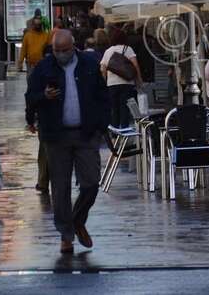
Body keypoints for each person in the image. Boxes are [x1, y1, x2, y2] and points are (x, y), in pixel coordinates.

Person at [25, 30, 110, 254]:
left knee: (91, 182)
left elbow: (102, 96)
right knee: (60, 187)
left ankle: (77, 219)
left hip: (86, 133)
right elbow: (30, 96)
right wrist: (43, 97)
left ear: (74, 46)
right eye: (57, 50)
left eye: (64, 50)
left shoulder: (88, 64)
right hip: (56, 135)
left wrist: (101, 125)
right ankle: (66, 234)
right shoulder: (44, 67)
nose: (61, 54)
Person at [100, 28, 142, 128]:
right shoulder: (128, 49)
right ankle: (124, 130)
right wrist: (139, 79)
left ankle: (115, 132)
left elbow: (102, 69)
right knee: (125, 108)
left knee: (114, 109)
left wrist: (105, 81)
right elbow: (135, 65)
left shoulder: (108, 51)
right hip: (127, 83)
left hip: (112, 84)